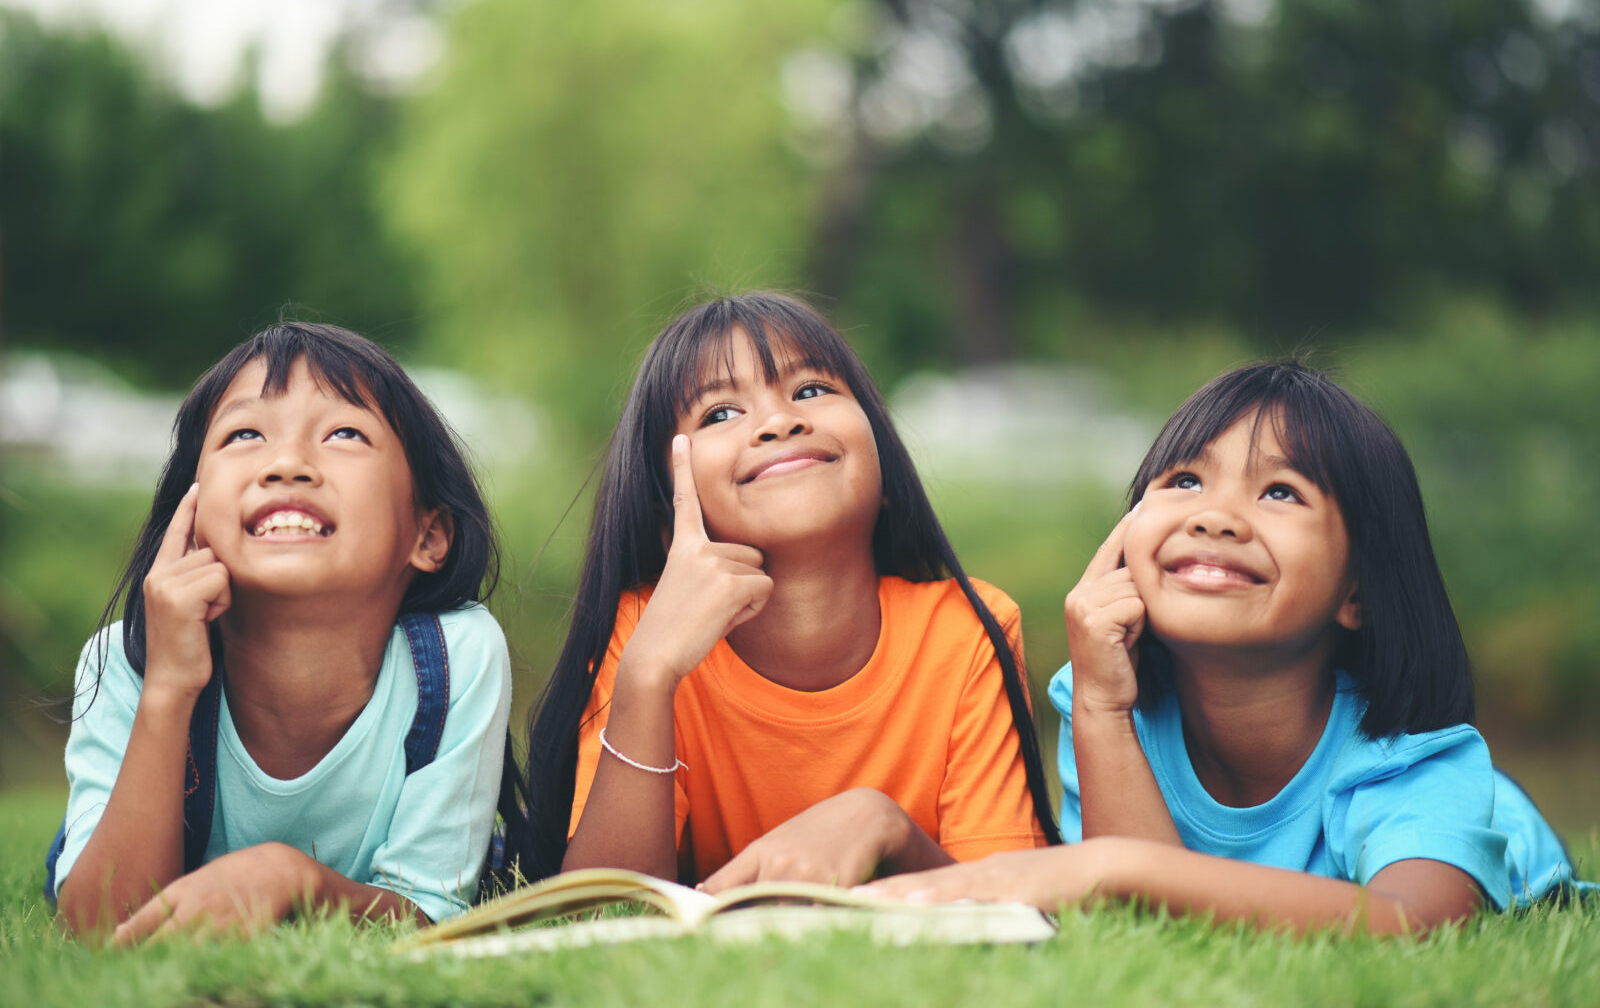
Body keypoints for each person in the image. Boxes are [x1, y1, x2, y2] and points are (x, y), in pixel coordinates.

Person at [863, 361, 1584, 933]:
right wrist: (1102, 706)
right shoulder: (1107, 705)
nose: (1215, 517)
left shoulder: (1413, 759)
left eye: (1280, 492)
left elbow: (1417, 925)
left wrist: (1114, 866)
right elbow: (1141, 926)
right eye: (1183, 481)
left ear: (1357, 592)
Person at [523, 292, 1059, 889]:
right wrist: (649, 673)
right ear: (667, 516)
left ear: (884, 467)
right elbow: (604, 911)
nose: (780, 421)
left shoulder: (968, 630)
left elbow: (1008, 902)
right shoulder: (645, 631)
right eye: (720, 414)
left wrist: (885, 828)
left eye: (810, 391)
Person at [51, 323, 528, 941]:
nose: (287, 464)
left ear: (427, 534)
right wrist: (168, 688)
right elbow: (99, 929)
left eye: (345, 433)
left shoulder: (458, 657)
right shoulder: (127, 660)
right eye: (245, 434)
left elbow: (432, 915)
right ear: (189, 517)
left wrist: (288, 879)